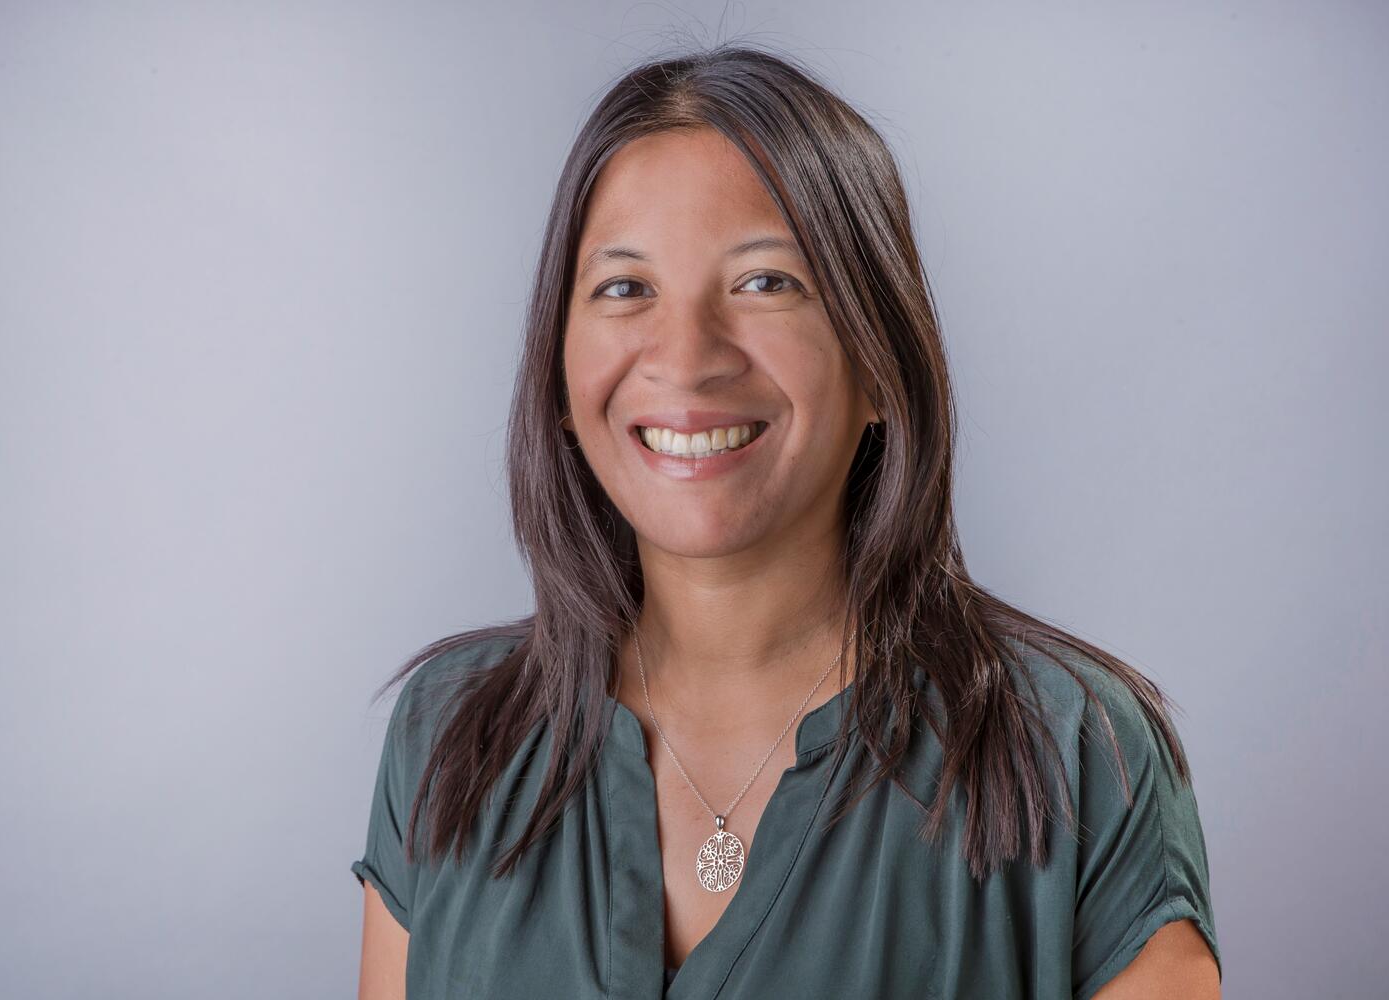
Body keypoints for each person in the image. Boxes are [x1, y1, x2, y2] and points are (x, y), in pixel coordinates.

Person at [351, 43, 1221, 1000]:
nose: (685, 360)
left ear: (882, 359)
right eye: (624, 288)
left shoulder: (1072, 753)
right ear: (560, 374)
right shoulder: (448, 737)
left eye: (767, 282)